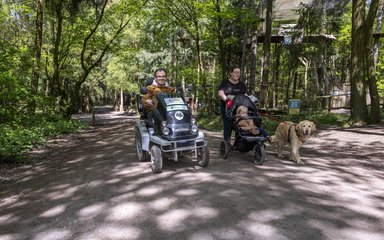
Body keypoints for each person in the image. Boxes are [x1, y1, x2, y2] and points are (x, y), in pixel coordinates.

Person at [217, 66, 246, 142]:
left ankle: (239, 142)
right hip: (227, 107)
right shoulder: (225, 82)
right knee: (228, 125)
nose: (237, 74)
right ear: (231, 73)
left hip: (239, 109)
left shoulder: (241, 84)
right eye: (235, 72)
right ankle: (227, 142)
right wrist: (226, 99)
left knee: (240, 123)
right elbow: (220, 93)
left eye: (238, 73)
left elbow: (245, 95)